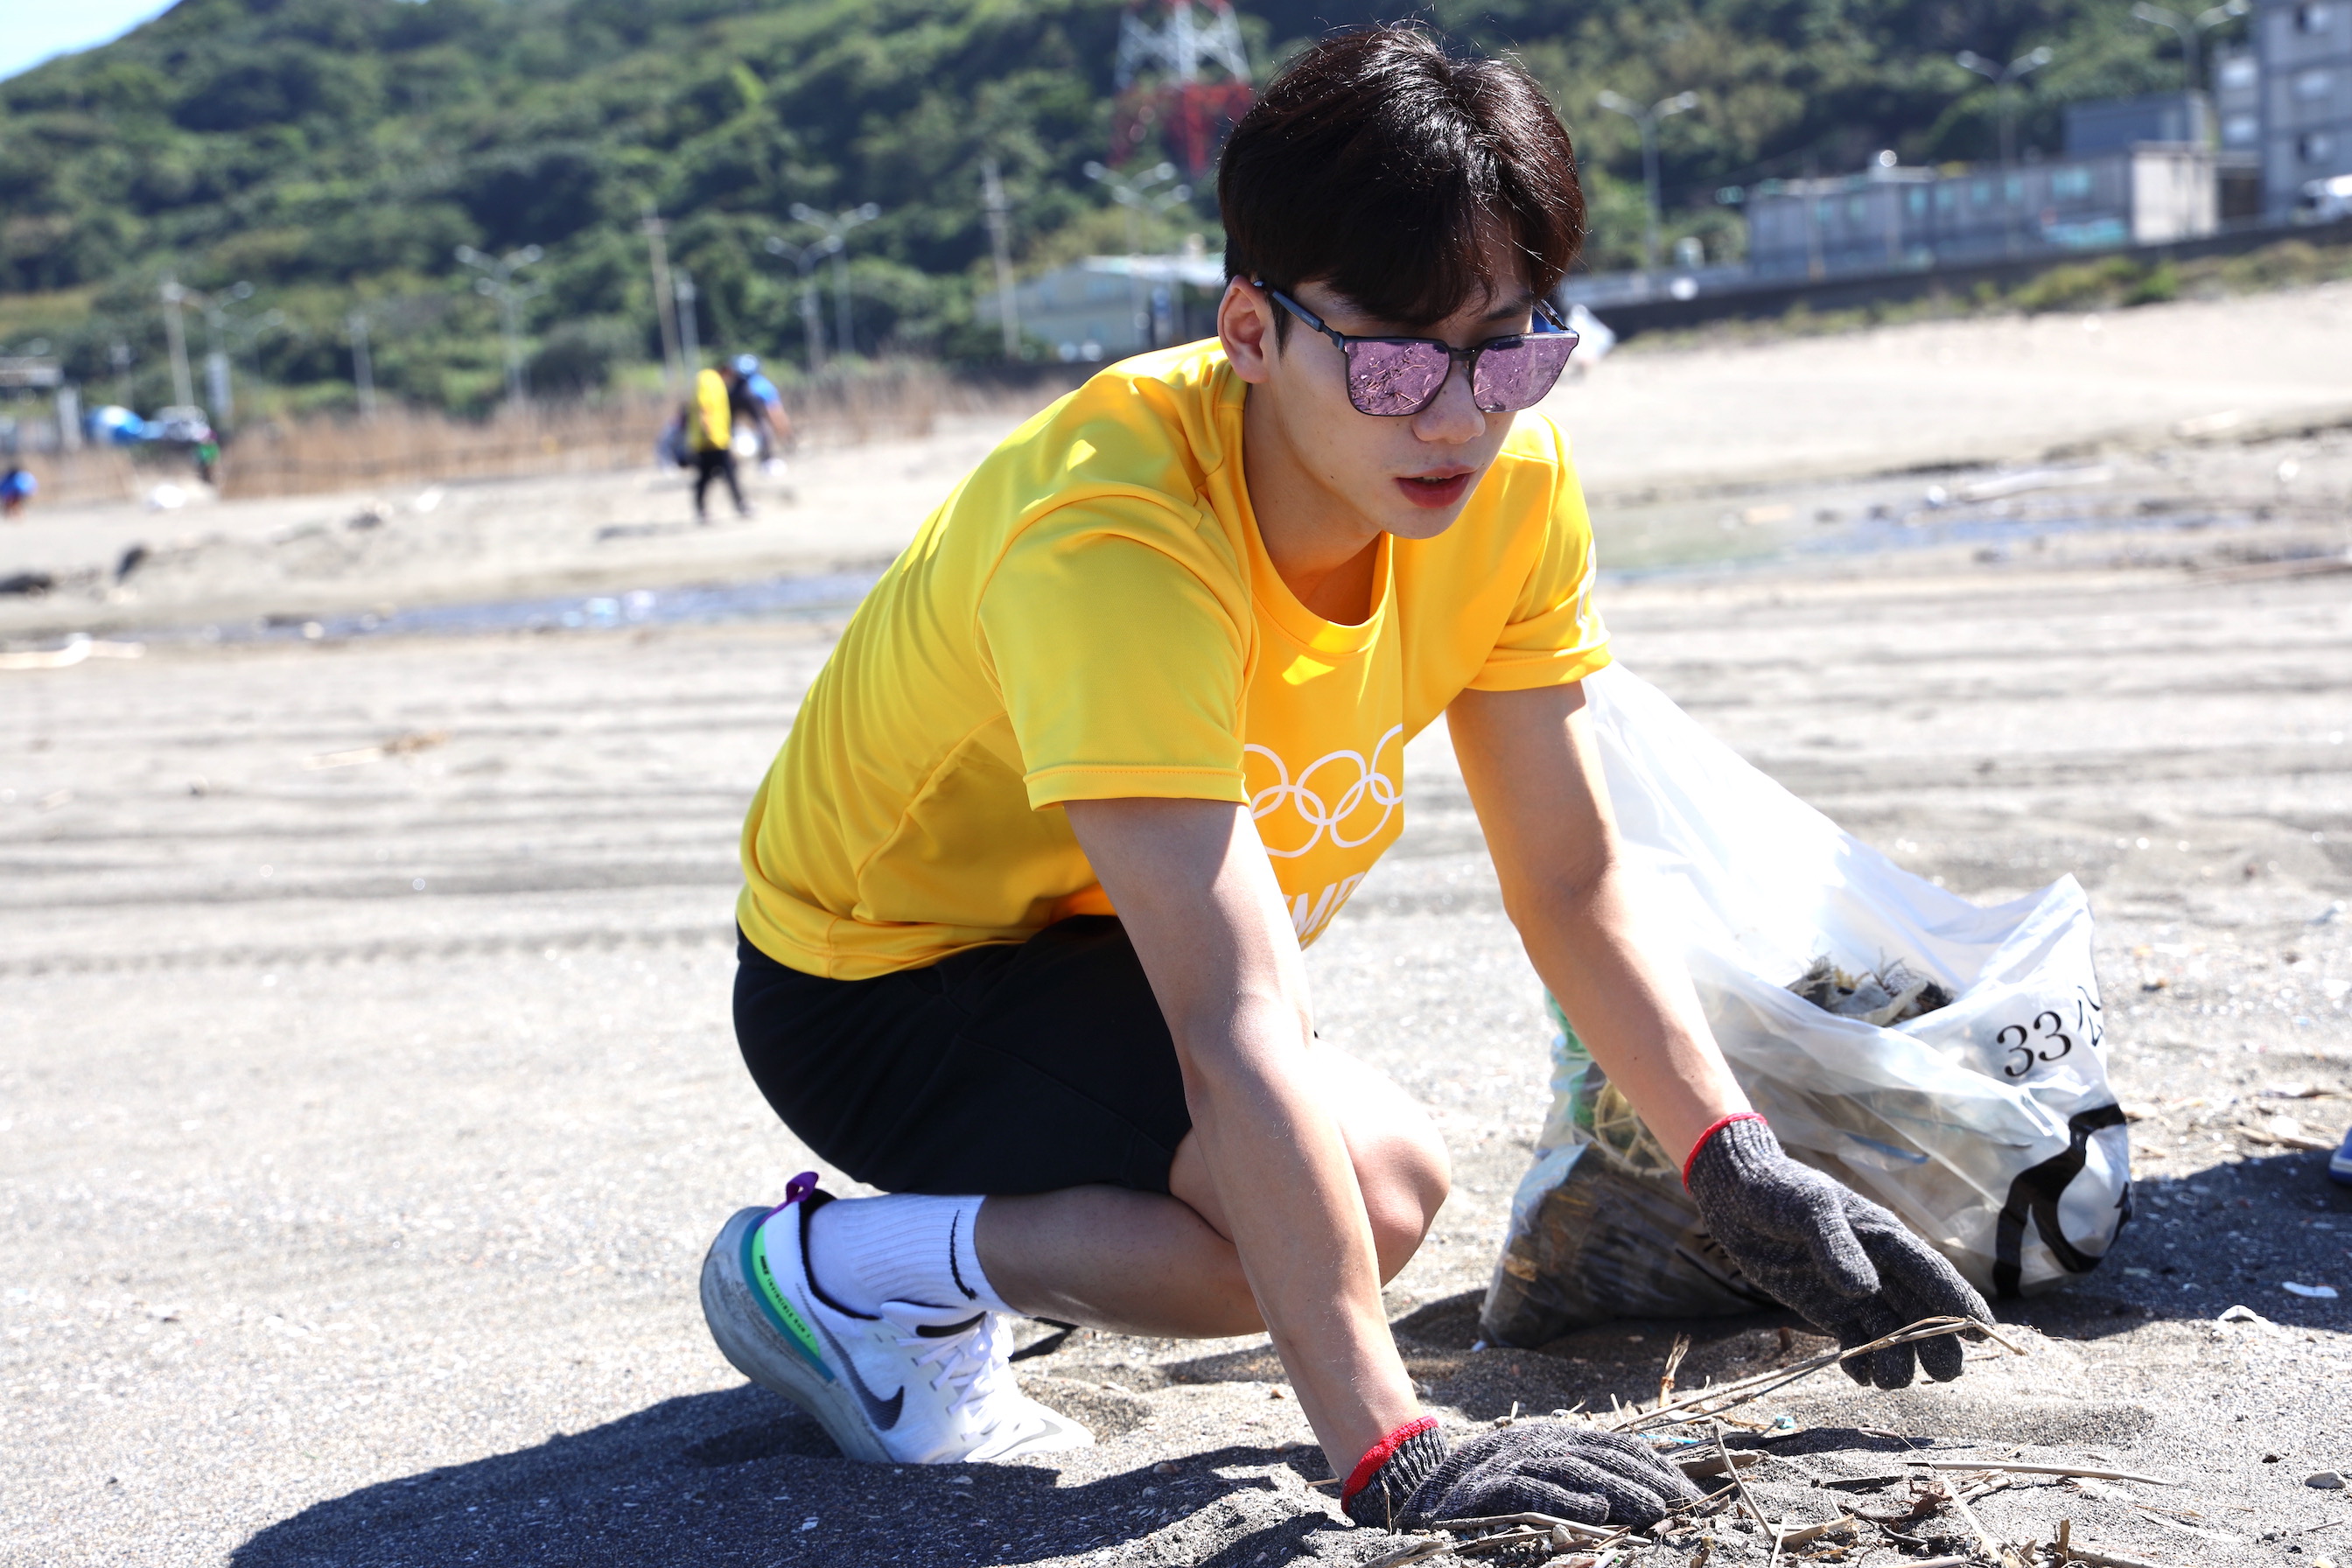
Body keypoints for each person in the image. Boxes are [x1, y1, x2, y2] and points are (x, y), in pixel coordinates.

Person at [699, 25, 1991, 1531]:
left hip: (1096, 939)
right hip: (883, 981)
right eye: (1391, 357)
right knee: (1348, 1212)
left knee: (1357, 1192)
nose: (1455, 413)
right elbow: (1226, 1011)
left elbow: (1567, 872)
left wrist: (1735, 1158)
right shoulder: (1115, 536)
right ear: (1251, 329)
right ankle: (831, 1273)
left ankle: (978, 1239)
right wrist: (1386, 1441)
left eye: (1511, 342)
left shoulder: (1509, 481)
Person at [686, 360, 751, 522]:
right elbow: (704, 407)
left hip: (715, 438)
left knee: (707, 475)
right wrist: (707, 431)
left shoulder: (714, 382)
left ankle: (702, 510)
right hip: (712, 439)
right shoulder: (709, 380)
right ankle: (741, 505)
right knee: (728, 472)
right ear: (727, 371)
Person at [732, 354, 794, 468]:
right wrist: (787, 436)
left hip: (736, 431)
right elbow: (775, 412)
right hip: (756, 426)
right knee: (763, 427)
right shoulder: (762, 385)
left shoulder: (732, 388)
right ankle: (767, 459)